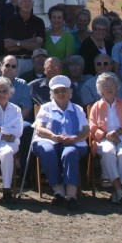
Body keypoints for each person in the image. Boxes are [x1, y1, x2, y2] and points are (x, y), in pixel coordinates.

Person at [32, 75, 90, 210]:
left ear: (70, 93)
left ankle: (71, 195)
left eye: (64, 90)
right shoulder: (46, 107)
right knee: (48, 151)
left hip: (73, 142)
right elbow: (39, 129)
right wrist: (53, 136)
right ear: (52, 94)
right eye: (57, 91)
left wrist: (74, 138)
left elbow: (86, 130)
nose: (61, 94)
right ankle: (58, 191)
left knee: (70, 152)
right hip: (49, 140)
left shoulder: (77, 109)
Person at [88, 72, 122, 203]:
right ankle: (120, 190)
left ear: (117, 88)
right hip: (104, 139)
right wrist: (105, 135)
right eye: (105, 85)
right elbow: (92, 126)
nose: (109, 88)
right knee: (108, 152)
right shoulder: (96, 107)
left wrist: (119, 132)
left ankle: (117, 189)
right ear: (100, 90)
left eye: (112, 85)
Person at [1, 0, 45, 76]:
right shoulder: (10, 21)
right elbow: (8, 46)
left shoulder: (39, 22)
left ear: (33, 3)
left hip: (31, 61)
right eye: (24, 1)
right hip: (13, 61)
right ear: (18, 3)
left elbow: (37, 46)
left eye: (29, 1)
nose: (27, 4)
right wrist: (31, 41)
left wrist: (16, 43)